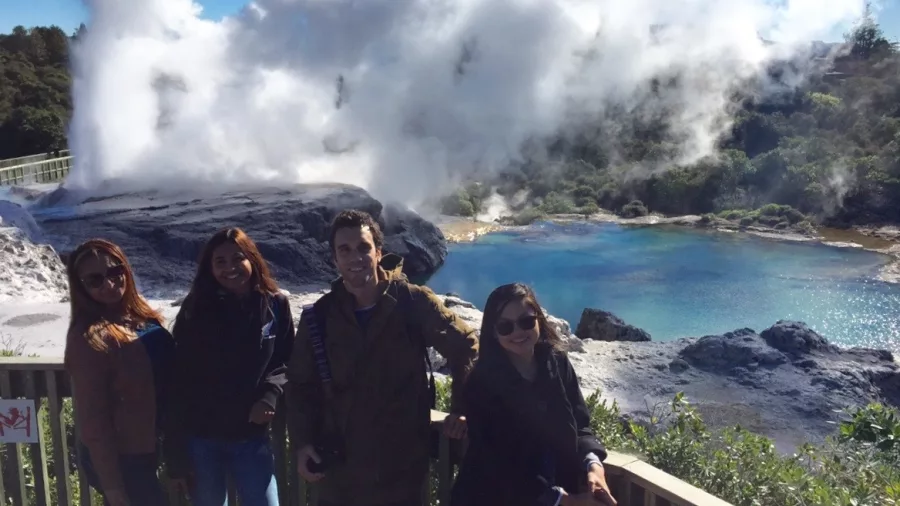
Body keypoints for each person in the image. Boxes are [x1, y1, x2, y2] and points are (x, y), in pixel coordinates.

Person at [286, 209, 479, 506]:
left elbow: (466, 344)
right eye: (344, 250)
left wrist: (461, 407)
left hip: (402, 470)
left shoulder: (412, 301)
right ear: (334, 259)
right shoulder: (320, 317)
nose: (355, 257)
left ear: (379, 252)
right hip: (340, 471)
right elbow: (300, 384)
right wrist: (302, 444)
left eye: (364, 247)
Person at [450, 283, 617, 506]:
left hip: (557, 488)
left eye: (526, 321)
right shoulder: (481, 384)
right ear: (493, 331)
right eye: (505, 326)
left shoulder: (556, 362)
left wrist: (593, 466)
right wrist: (569, 501)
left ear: (539, 319)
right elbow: (499, 465)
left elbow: (580, 424)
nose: (518, 332)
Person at [164, 227, 295, 506]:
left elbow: (286, 360)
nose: (230, 268)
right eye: (220, 262)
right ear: (209, 268)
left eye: (237, 259)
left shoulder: (274, 305)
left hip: (251, 436)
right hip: (201, 439)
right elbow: (178, 381)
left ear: (252, 260)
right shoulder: (196, 309)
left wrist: (270, 394)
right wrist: (175, 455)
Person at [64, 239, 174, 506]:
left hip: (148, 445)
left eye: (115, 273)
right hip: (122, 457)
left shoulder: (140, 317)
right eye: (95, 280)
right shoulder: (89, 337)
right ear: (81, 287)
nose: (109, 284)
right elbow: (93, 419)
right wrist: (112, 487)